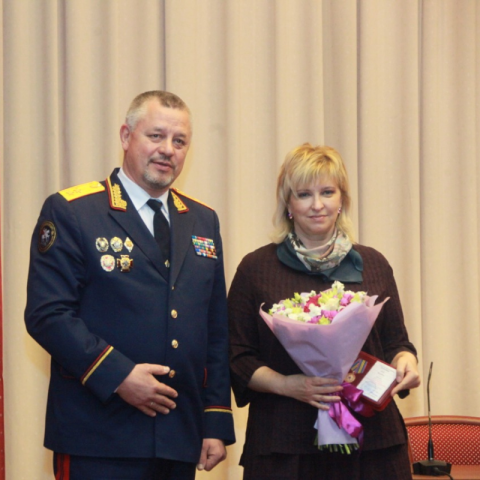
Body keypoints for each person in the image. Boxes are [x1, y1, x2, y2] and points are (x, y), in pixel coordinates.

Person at [25, 90, 235, 479]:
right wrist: (118, 375)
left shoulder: (202, 220)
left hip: (178, 435)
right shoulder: (74, 211)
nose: (167, 149)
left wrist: (215, 419)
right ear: (126, 136)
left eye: (179, 141)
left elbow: (215, 329)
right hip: (98, 433)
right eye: (156, 136)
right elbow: (47, 314)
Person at [228, 143, 420, 480]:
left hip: (373, 444)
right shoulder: (256, 269)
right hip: (285, 446)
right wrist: (287, 385)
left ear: (342, 198)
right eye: (304, 194)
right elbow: (237, 357)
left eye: (327, 192)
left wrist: (406, 362)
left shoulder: (374, 264)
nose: (317, 205)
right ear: (288, 203)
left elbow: (396, 343)